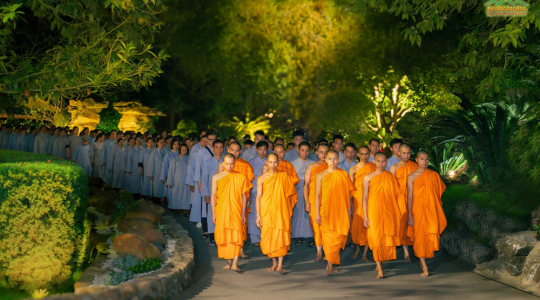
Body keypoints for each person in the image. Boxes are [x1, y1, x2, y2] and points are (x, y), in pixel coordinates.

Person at [406, 151, 447, 277]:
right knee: (419, 236)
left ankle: (423, 257)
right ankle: (424, 265)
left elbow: (439, 193)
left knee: (430, 232)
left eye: (426, 159)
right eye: (422, 159)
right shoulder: (411, 176)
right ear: (417, 160)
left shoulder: (433, 175)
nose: (424, 161)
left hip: (431, 210)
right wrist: (409, 215)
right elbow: (409, 197)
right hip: (417, 210)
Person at [315, 150, 356, 276]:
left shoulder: (343, 174)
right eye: (330, 159)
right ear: (325, 160)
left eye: (335, 159)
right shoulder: (320, 175)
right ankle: (330, 265)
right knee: (328, 239)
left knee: (338, 238)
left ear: (338, 160)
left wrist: (349, 210)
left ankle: (331, 262)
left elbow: (348, 194)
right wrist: (317, 213)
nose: (332, 162)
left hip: (340, 210)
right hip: (326, 210)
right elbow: (317, 195)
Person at [256, 153, 297, 274]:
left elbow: (291, 194)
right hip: (267, 210)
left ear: (278, 163)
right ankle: (274, 262)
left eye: (275, 162)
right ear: (266, 163)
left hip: (280, 210)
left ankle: (280, 265)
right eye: (270, 162)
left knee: (281, 236)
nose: (273, 165)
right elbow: (258, 197)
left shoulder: (284, 176)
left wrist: (287, 209)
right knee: (267, 237)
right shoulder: (262, 178)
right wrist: (258, 215)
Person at [363, 153, 402, 279]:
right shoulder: (368, 177)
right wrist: (365, 216)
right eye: (378, 161)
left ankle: (379, 260)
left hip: (389, 211)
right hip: (374, 211)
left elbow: (397, 195)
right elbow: (364, 198)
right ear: (374, 161)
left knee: (385, 237)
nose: (381, 164)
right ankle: (379, 268)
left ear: (386, 162)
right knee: (375, 237)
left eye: (383, 161)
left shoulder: (390, 176)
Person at [211, 153, 252, 271]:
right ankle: (229, 262)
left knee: (236, 234)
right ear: (223, 163)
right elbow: (214, 196)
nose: (229, 166)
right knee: (223, 236)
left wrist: (243, 212)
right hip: (222, 210)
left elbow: (244, 196)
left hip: (236, 210)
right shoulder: (216, 177)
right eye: (227, 164)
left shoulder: (240, 177)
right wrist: (213, 213)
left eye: (232, 164)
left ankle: (235, 263)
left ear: (235, 163)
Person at [217, 141, 254, 259]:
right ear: (228, 150)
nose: (235, 153)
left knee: (241, 226)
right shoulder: (222, 165)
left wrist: (248, 199)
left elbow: (248, 185)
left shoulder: (245, 165)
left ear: (240, 152)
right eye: (232, 150)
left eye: (237, 150)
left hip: (240, 200)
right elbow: (220, 184)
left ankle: (240, 249)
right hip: (226, 201)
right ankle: (229, 249)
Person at [389, 143, 418, 262]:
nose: (407, 155)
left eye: (409, 153)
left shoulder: (415, 166)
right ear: (399, 153)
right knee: (402, 225)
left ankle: (417, 249)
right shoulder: (394, 167)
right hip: (400, 199)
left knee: (414, 224)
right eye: (404, 153)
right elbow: (391, 186)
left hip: (414, 198)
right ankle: (406, 252)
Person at [349, 146, 376, 261]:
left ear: (369, 154)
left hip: (370, 198)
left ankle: (365, 253)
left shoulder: (373, 167)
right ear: (358, 155)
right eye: (362, 154)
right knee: (356, 225)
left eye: (366, 154)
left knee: (368, 225)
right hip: (357, 199)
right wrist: (350, 204)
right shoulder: (353, 169)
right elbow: (350, 188)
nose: (364, 157)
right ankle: (357, 248)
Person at [303, 142, 329, 258]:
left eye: (326, 152)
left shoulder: (332, 166)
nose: (323, 155)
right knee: (316, 225)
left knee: (327, 225)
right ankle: (319, 251)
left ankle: (328, 250)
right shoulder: (312, 166)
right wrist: (306, 202)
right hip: (313, 198)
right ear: (317, 153)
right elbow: (306, 185)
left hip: (328, 198)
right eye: (321, 152)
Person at [194, 130, 219, 241]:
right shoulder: (201, 152)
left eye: (214, 139)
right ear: (206, 140)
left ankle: (216, 231)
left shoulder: (219, 150)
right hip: (205, 182)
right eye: (210, 140)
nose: (212, 141)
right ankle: (206, 230)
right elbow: (198, 168)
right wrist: (199, 183)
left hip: (218, 182)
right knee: (205, 207)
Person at [199, 138, 225, 245]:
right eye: (216, 147)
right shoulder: (208, 163)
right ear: (213, 148)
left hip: (223, 193)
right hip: (211, 193)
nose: (219, 150)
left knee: (223, 215)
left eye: (221, 147)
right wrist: (205, 194)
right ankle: (212, 237)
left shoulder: (226, 163)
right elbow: (204, 179)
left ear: (224, 148)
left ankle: (222, 237)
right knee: (212, 215)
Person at [290, 141, 314, 245]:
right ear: (298, 150)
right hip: (297, 188)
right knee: (297, 211)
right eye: (302, 150)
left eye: (307, 150)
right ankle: (297, 235)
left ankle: (309, 235)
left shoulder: (312, 163)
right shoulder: (292, 163)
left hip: (309, 187)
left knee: (308, 211)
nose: (304, 153)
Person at [247, 141, 269, 246]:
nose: (262, 152)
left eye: (265, 149)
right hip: (254, 191)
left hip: (266, 192)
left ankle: (264, 236)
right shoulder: (251, 162)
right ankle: (255, 238)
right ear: (256, 150)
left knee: (264, 214)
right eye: (260, 149)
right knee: (254, 214)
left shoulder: (270, 162)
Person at [186, 132, 207, 228]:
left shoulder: (211, 152)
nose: (205, 143)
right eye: (203, 141)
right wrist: (191, 182)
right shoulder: (195, 153)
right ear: (200, 142)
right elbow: (191, 168)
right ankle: (199, 219)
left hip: (207, 180)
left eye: (207, 141)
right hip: (198, 179)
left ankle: (206, 220)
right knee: (198, 201)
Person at [167, 144, 191, 216]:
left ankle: (186, 210)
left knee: (186, 196)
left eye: (185, 150)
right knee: (176, 195)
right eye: (182, 150)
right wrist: (170, 182)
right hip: (176, 180)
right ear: (180, 150)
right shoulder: (175, 159)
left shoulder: (189, 159)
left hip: (186, 181)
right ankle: (176, 209)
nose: (184, 151)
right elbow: (171, 171)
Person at [146, 137, 167, 202]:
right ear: (157, 143)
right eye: (160, 142)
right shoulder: (154, 152)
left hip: (164, 172)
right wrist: (150, 174)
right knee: (156, 188)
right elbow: (151, 163)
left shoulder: (166, 152)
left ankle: (163, 200)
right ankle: (156, 201)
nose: (161, 144)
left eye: (163, 142)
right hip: (156, 173)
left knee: (164, 188)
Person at [160, 138, 181, 203]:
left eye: (177, 144)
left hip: (178, 176)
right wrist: (163, 177)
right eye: (174, 144)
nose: (176, 146)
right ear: (172, 145)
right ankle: (171, 204)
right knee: (170, 191)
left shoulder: (180, 155)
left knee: (177, 191)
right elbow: (165, 166)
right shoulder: (168, 155)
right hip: (170, 175)